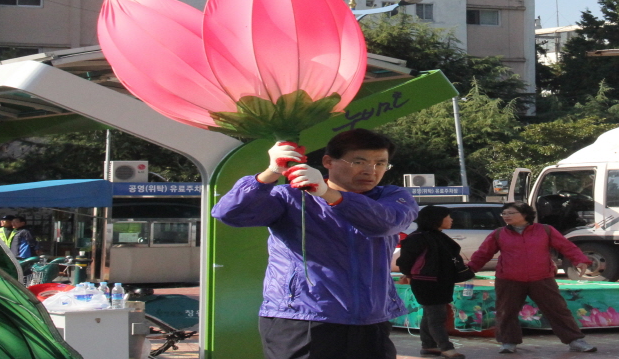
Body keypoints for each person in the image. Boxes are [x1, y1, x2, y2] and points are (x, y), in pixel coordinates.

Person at [212, 129, 419, 359]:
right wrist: (271, 173)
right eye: (358, 162)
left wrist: (327, 193)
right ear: (328, 161)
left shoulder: (392, 197)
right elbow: (229, 214)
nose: (371, 171)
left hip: (371, 319)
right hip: (302, 317)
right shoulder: (289, 197)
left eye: (380, 163)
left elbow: (385, 223)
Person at [468, 202, 597, 354]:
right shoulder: (499, 233)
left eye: (511, 213)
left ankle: (575, 341)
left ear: (525, 214)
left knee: (558, 310)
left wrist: (580, 260)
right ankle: (508, 342)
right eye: (504, 214)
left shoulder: (545, 230)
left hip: (542, 278)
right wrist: (469, 270)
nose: (506, 216)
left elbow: (566, 246)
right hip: (509, 279)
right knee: (506, 311)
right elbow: (483, 253)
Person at [396, 205, 467, 359]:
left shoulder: (438, 236)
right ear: (437, 219)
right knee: (437, 316)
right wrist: (409, 275)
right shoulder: (417, 238)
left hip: (442, 281)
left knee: (430, 314)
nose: (451, 219)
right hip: (426, 282)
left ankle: (429, 346)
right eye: (448, 216)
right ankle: (446, 348)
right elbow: (405, 262)